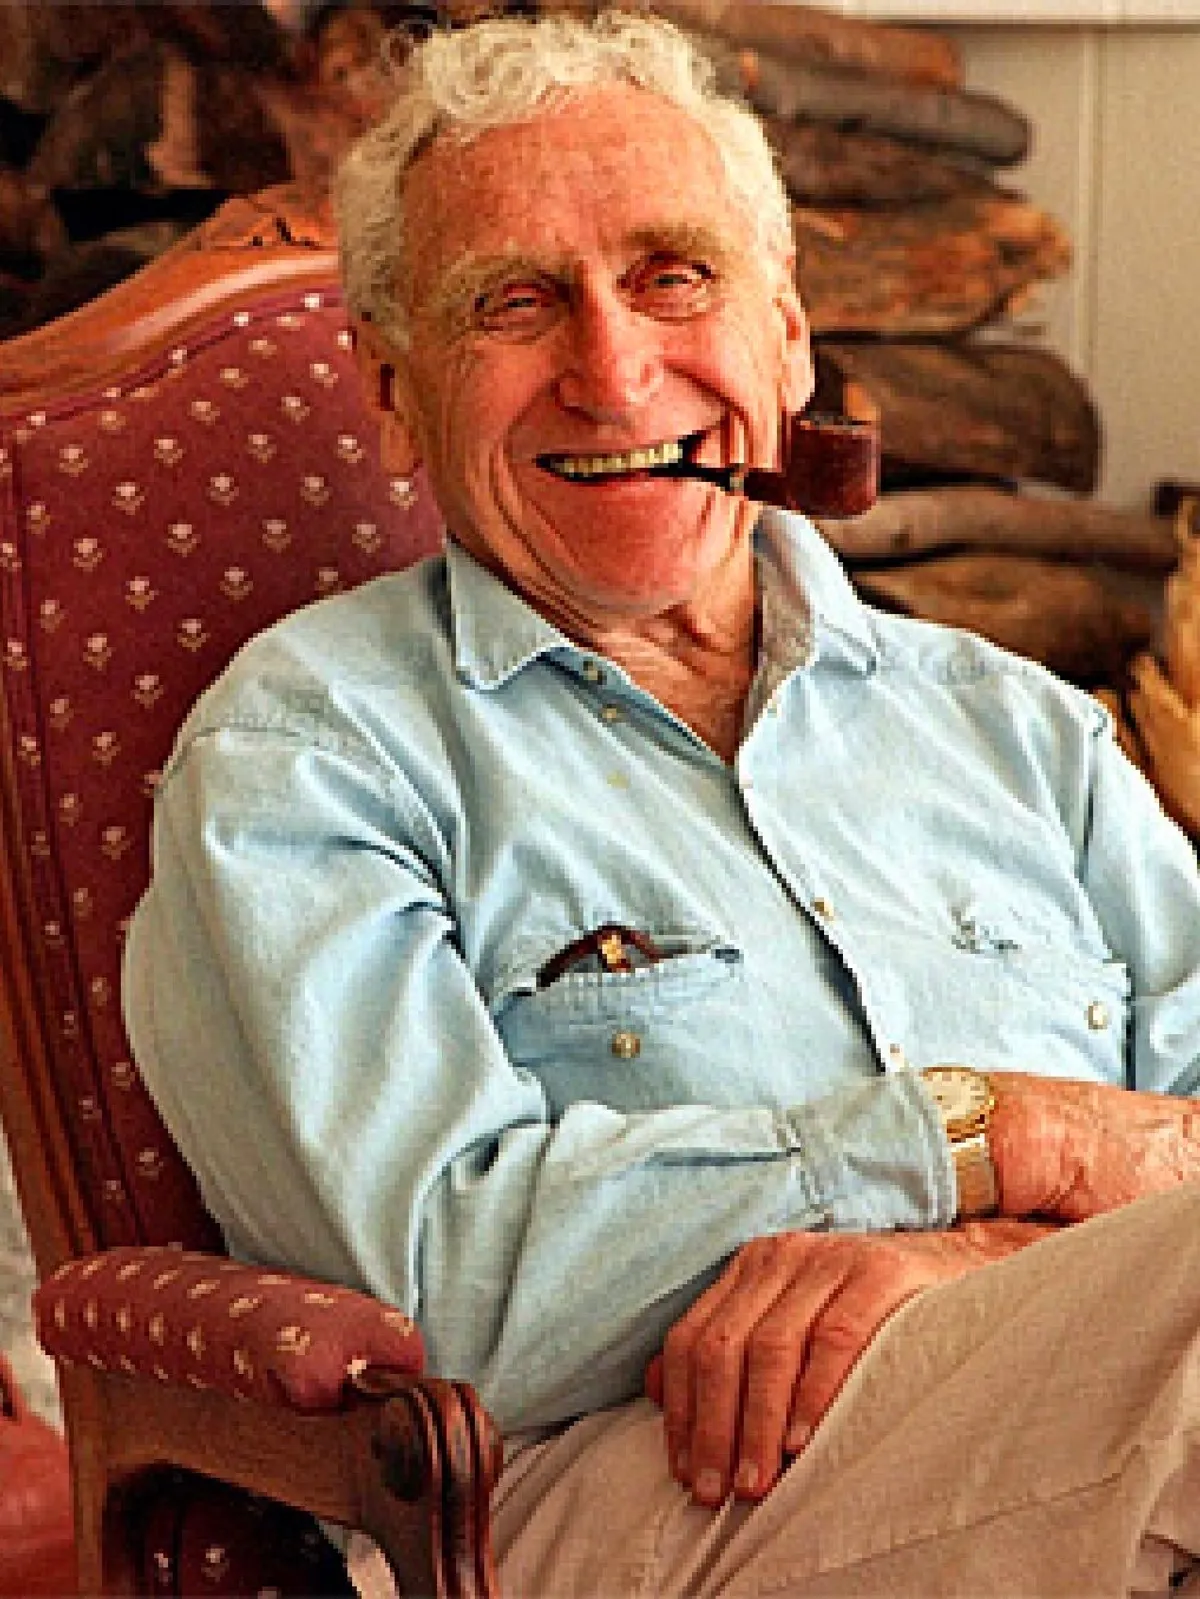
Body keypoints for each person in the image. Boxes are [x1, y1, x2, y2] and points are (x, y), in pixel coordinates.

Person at [123, 11, 1200, 1594]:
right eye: (514, 302)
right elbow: (444, 1286)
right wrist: (988, 1135)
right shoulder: (308, 754)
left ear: (788, 333)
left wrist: (962, 1260)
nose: (614, 370)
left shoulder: (1018, 728)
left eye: (674, 276)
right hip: (649, 1483)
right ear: (396, 391)